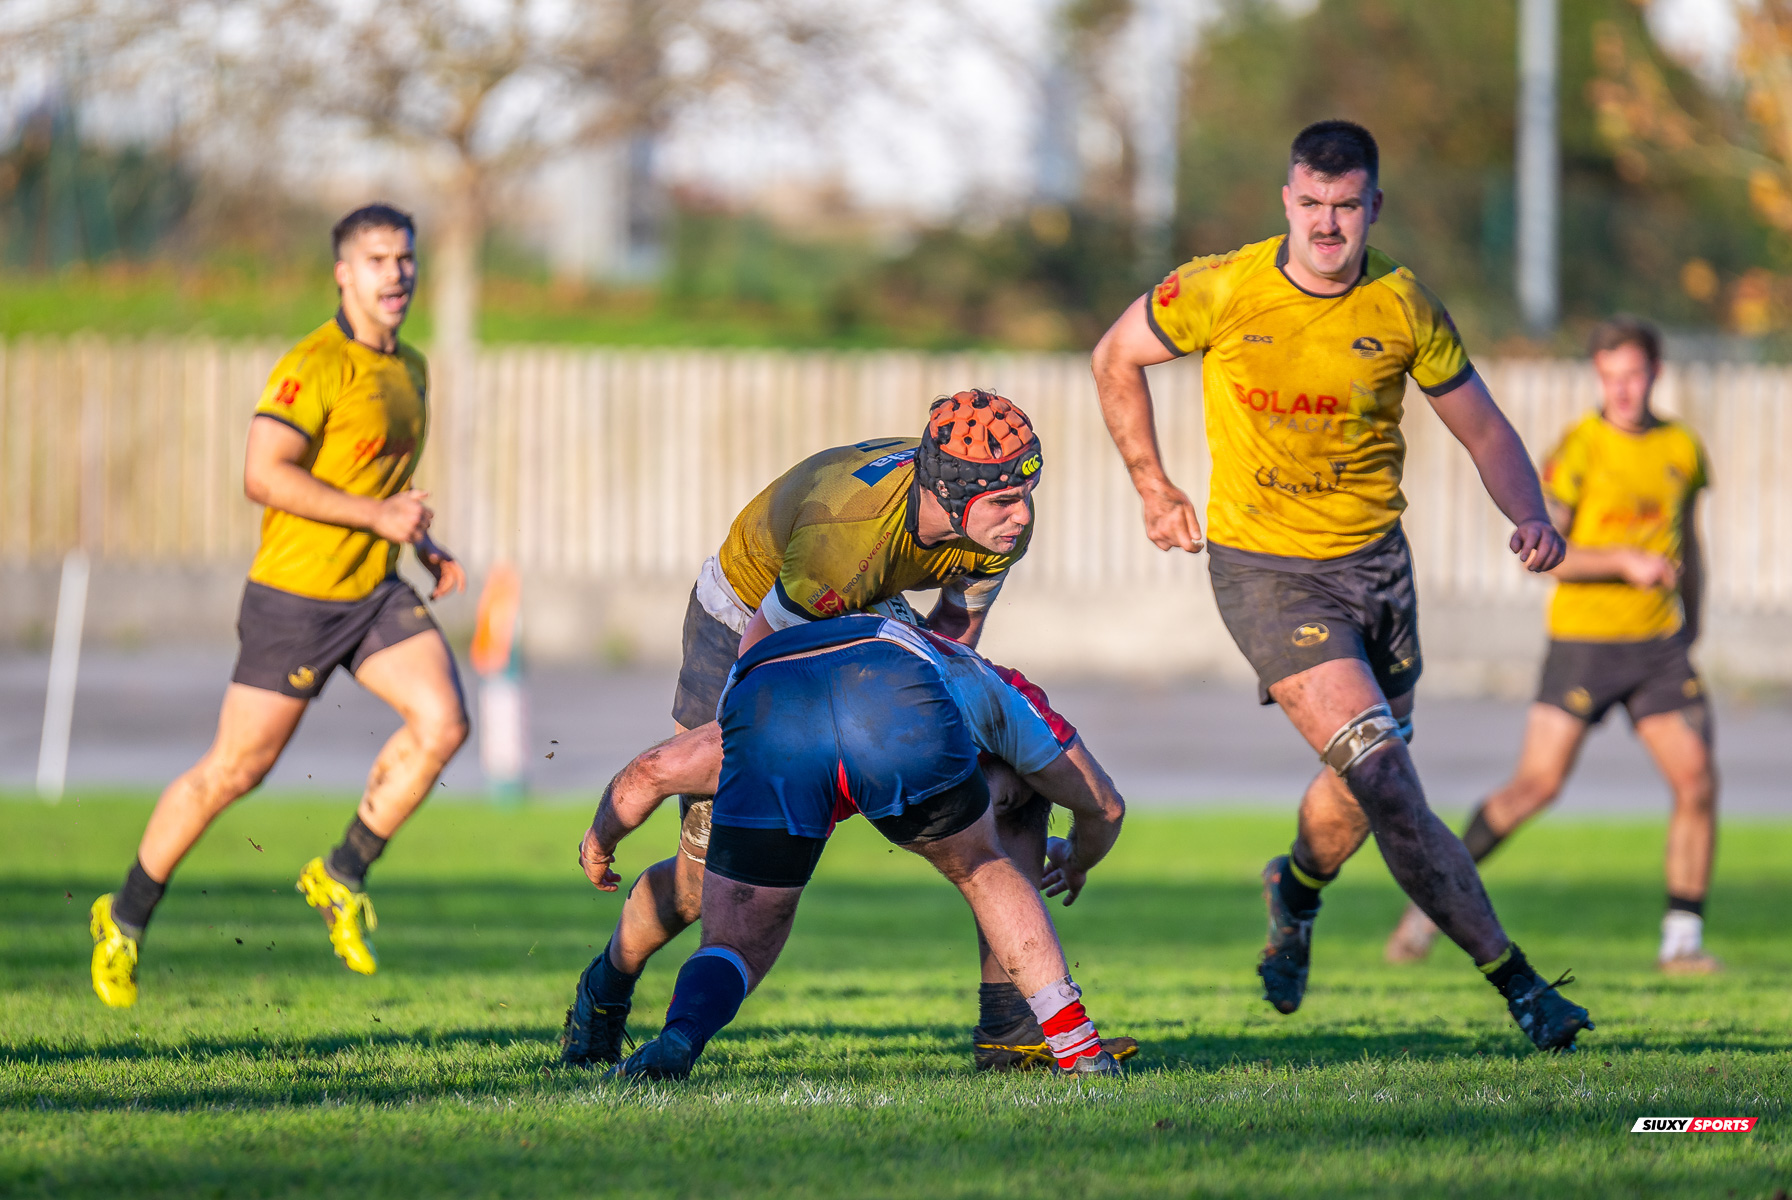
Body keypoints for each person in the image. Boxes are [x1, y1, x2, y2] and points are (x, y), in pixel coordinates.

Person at [1088, 119, 1593, 1051]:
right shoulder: (1223, 287)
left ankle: (1296, 886)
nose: (1327, 225)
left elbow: (1483, 427)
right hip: (1268, 575)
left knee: (1360, 788)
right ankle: (1520, 985)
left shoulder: (1403, 305)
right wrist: (1154, 486)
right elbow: (1115, 357)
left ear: (1373, 207)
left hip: (1378, 572)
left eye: (1346, 207)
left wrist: (1528, 513)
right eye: (1311, 205)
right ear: (1287, 200)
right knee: (1389, 778)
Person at [87, 204, 468, 1008]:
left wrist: (418, 541)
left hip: (370, 592)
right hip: (293, 602)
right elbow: (264, 472)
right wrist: (377, 517)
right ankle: (122, 917)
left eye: (404, 258)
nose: (395, 273)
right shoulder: (314, 364)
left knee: (443, 723)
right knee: (234, 771)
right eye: (376, 259)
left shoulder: (414, 368)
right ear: (342, 272)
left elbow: (376, 484)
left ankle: (340, 874)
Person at [607, 389, 1048, 1050]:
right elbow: (760, 669)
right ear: (951, 496)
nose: (1023, 515)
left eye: (1027, 492)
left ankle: (1009, 1025)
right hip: (745, 627)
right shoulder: (847, 536)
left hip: (860, 614)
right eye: (1005, 500)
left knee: (1015, 792)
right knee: (701, 885)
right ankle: (607, 985)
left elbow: (953, 638)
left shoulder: (995, 522)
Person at [559, 621, 1135, 1071]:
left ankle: (679, 1036)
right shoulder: (1001, 690)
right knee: (984, 867)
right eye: (1010, 798)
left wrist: (599, 841)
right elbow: (1103, 805)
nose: (1005, 806)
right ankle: (1080, 1050)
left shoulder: (767, 681)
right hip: (891, 701)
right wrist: (1076, 858)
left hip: (770, 708)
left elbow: (653, 769)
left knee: (737, 939)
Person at [1386, 316, 1718, 974]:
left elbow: (1692, 542)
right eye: (1610, 378)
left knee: (1697, 783)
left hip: (1658, 650)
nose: (1623, 390)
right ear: (1599, 379)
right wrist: (1624, 560)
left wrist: (1694, 621)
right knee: (1534, 788)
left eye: (1634, 375)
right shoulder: (1580, 450)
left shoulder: (1683, 446)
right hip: (1583, 645)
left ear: (1655, 373)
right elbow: (1549, 556)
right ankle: (1427, 908)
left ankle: (1682, 944)